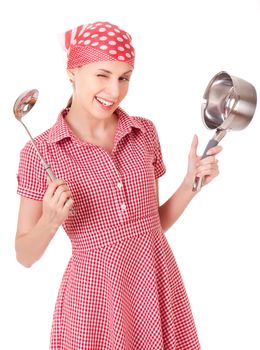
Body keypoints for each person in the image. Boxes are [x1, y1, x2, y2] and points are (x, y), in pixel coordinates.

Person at [15, 21, 222, 350]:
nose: (114, 90)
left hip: (154, 282)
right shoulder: (41, 152)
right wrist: (50, 220)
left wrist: (189, 184)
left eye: (124, 77)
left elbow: (151, 224)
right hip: (96, 299)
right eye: (102, 75)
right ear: (73, 71)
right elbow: (24, 255)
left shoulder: (143, 132)